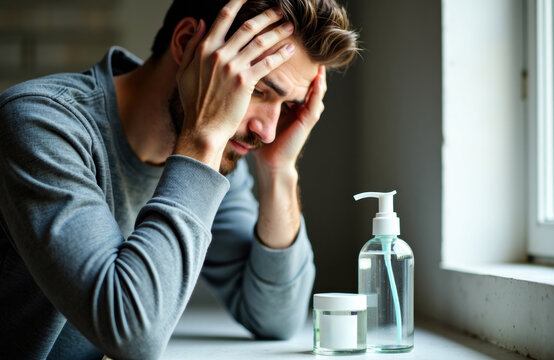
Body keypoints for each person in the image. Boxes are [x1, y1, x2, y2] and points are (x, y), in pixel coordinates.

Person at [0, 0, 358, 358]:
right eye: (257, 89)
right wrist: (203, 139)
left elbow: (276, 318)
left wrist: (279, 171)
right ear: (187, 43)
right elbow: (132, 336)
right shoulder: (40, 126)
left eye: (289, 105)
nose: (266, 131)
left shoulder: (215, 157)